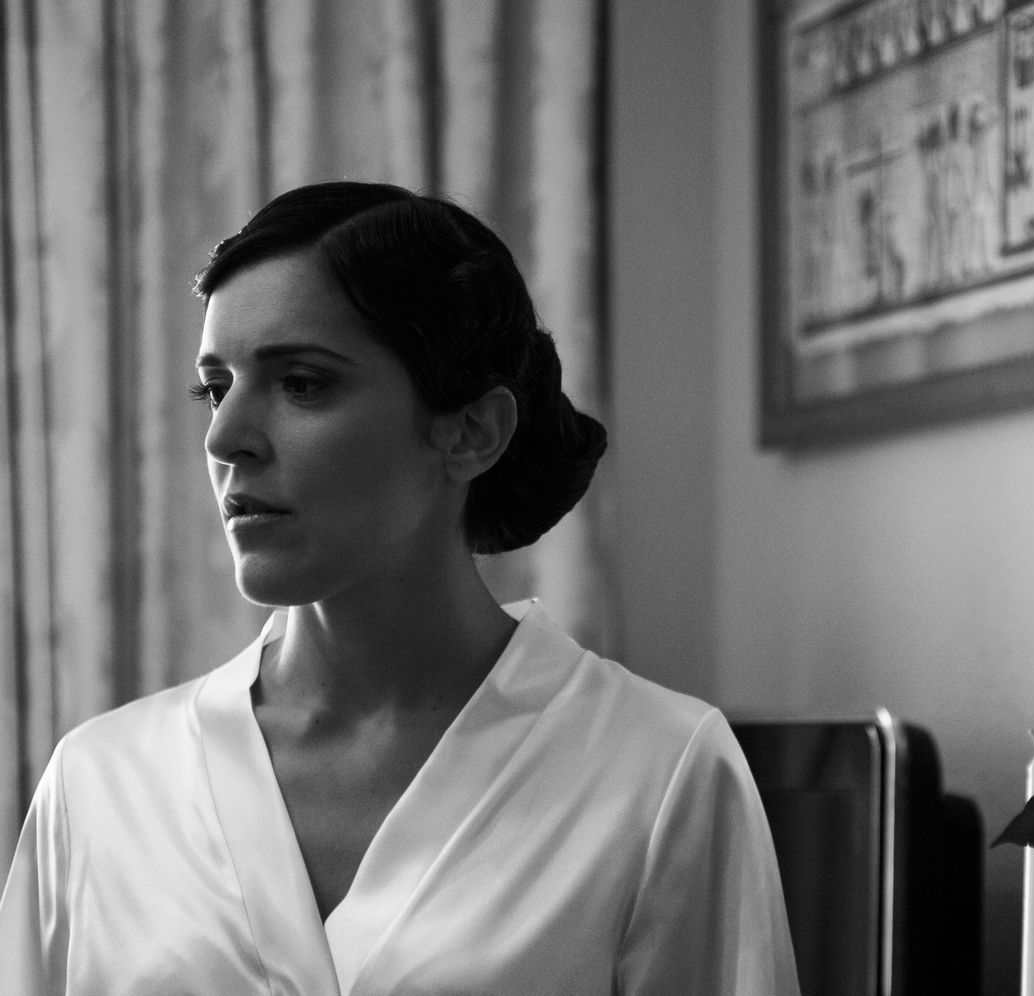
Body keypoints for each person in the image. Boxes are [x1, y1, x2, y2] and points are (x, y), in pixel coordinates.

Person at [0, 181, 800, 995]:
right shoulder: (100, 786)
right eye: (216, 387)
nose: (225, 436)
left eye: (303, 382)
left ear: (470, 431)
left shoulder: (660, 775)